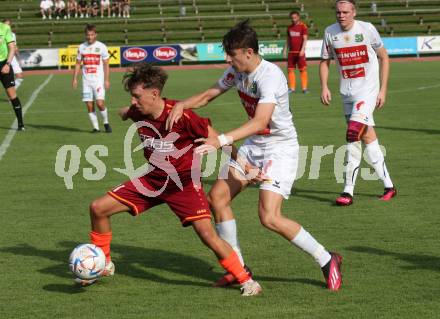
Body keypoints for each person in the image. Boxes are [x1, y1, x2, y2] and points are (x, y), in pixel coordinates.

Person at [166, 20, 343, 291]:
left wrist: (221, 140)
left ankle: (326, 258)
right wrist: (180, 105)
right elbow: (207, 95)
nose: (228, 58)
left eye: (231, 54)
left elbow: (261, 120)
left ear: (248, 52)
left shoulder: (269, 77)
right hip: (254, 145)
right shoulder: (237, 71)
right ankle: (238, 267)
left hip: (279, 148)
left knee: (269, 216)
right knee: (218, 197)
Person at [79, 63, 262, 296]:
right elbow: (129, 112)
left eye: (137, 96)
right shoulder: (139, 111)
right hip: (152, 181)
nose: (134, 101)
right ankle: (103, 263)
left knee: (207, 234)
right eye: (132, 97)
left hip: (183, 185)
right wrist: (126, 111)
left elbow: (219, 140)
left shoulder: (183, 115)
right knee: (98, 208)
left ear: (154, 94)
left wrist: (244, 165)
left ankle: (247, 281)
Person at [319, 0, 397, 206]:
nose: (341, 15)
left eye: (345, 12)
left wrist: (383, 89)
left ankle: (347, 192)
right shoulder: (330, 32)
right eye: (338, 12)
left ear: (354, 12)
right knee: (367, 137)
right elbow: (324, 61)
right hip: (347, 93)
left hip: (367, 91)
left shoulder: (367, 29)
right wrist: (324, 86)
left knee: (353, 134)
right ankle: (389, 186)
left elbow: (384, 57)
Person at [72, 24, 112, 133]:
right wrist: (74, 78)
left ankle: (106, 122)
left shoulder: (102, 47)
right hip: (86, 81)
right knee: (89, 106)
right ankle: (96, 128)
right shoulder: (81, 47)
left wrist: (106, 80)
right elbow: (77, 63)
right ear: (85, 35)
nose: (90, 37)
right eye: (88, 35)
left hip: (98, 81)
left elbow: (106, 64)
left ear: (95, 35)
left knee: (100, 103)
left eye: (92, 35)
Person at [0, 21, 25, 131]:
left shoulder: (4, 28)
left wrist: (8, 64)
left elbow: (12, 48)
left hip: (4, 64)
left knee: (12, 95)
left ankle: (20, 124)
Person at [283, 10, 308, 94]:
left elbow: (305, 39)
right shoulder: (289, 27)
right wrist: (285, 49)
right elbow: (288, 39)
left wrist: (302, 50)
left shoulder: (303, 26)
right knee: (290, 70)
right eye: (292, 18)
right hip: (291, 52)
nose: (293, 19)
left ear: (298, 17)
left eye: (295, 17)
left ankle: (304, 88)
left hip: (299, 52)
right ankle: (292, 88)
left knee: (302, 69)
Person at [2, 19, 24, 90]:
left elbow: (15, 47)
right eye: (5, 24)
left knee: (19, 77)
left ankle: (11, 94)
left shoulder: (12, 35)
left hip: (12, 58)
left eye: (8, 24)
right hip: (3, 58)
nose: (7, 26)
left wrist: (19, 58)